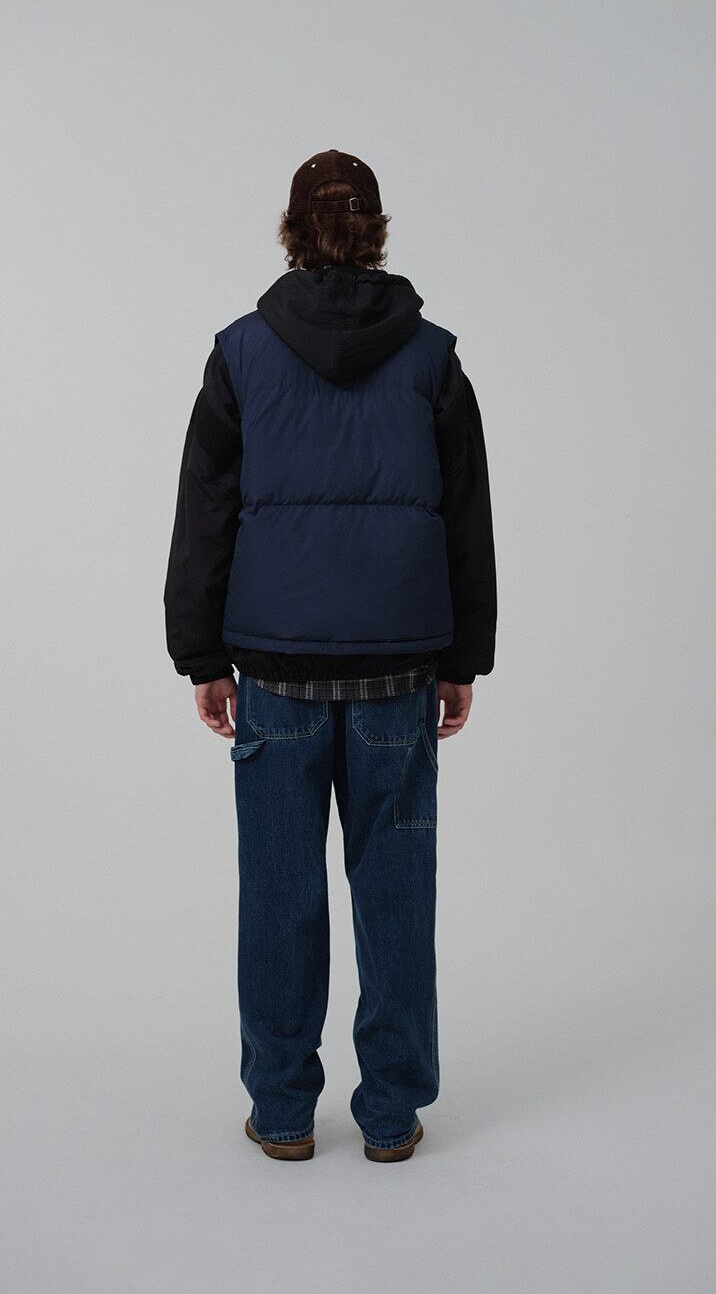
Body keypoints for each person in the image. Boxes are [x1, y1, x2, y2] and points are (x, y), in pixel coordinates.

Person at [164, 149, 497, 1162]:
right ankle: (390, 1113)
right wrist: (463, 657)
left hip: (276, 670)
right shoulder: (432, 357)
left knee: (278, 896)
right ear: (377, 230)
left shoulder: (240, 353)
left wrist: (202, 654)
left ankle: (281, 1110)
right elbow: (467, 516)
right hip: (400, 668)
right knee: (396, 895)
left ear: (292, 230)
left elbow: (204, 509)